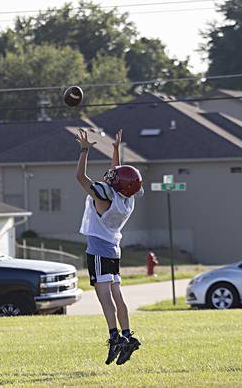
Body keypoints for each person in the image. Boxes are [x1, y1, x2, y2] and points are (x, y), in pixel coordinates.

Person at [74, 128, 143, 366]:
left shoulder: (104, 197)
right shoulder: (127, 199)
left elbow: (81, 178)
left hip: (99, 250)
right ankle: (127, 335)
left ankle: (115, 337)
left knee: (105, 298)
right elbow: (120, 177)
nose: (111, 176)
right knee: (117, 295)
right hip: (114, 249)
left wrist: (84, 150)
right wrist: (115, 151)